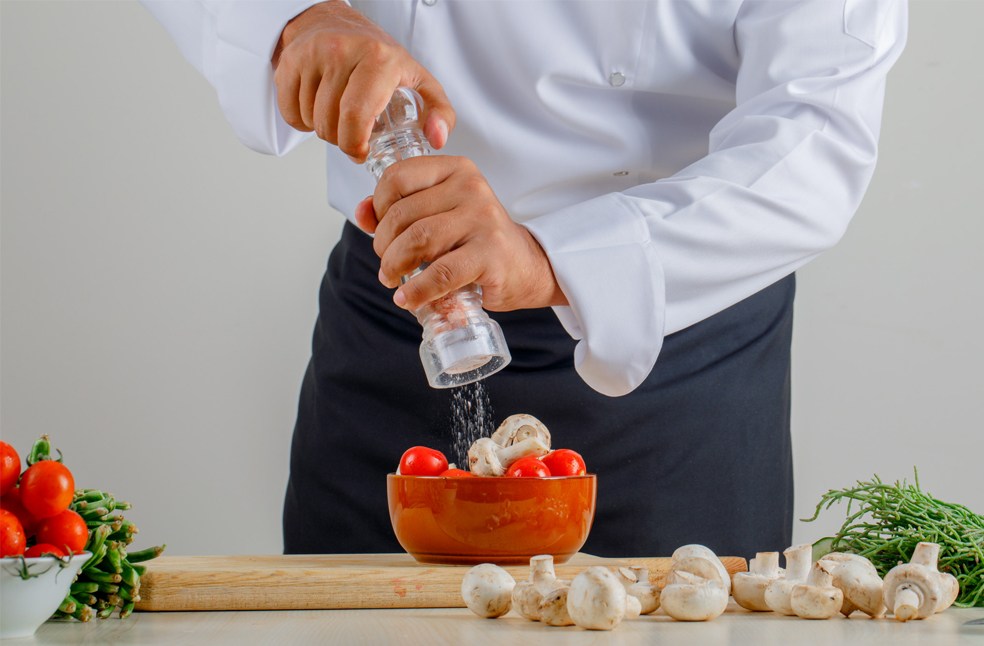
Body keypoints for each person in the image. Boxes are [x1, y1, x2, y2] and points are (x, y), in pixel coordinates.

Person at [142, 0, 907, 559]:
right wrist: (292, 19)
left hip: (673, 353)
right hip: (400, 320)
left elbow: (817, 134)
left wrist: (550, 259)